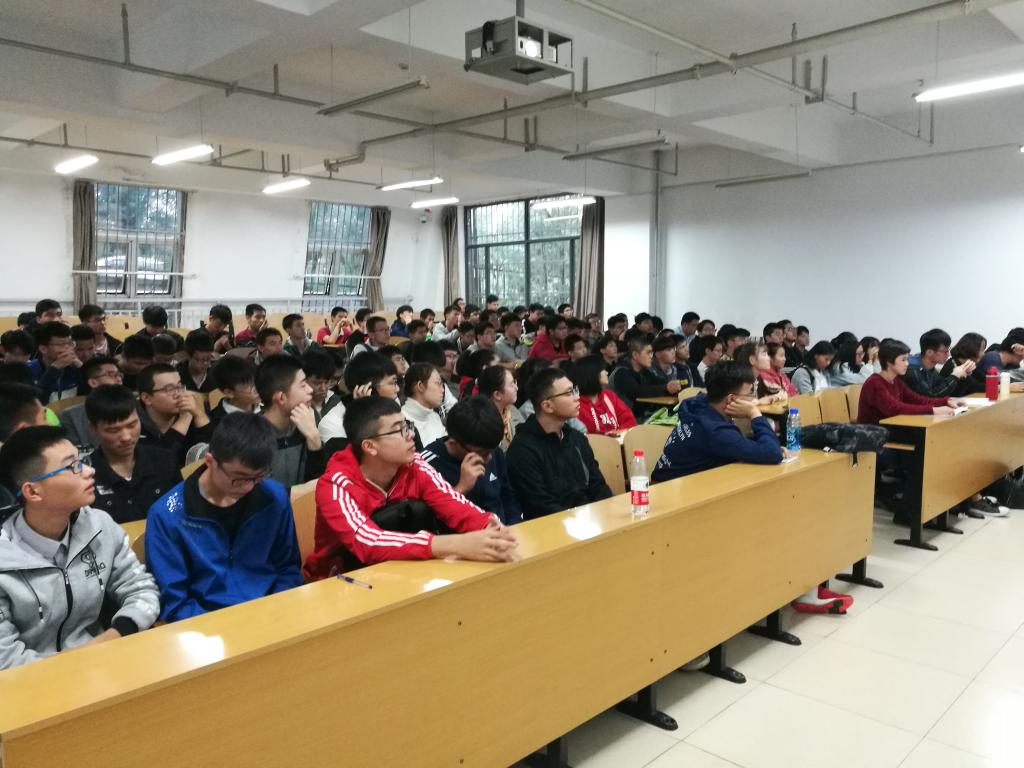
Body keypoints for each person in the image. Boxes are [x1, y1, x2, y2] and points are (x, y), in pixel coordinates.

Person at [0, 426, 160, 669]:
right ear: (32, 491)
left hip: (103, 661)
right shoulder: (5, 560)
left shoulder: (99, 526)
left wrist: (111, 637)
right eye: (72, 466)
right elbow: (6, 658)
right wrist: (76, 664)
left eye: (82, 461)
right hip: (31, 680)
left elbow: (142, 590)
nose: (89, 471)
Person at [304, 397, 517, 576]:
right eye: (399, 430)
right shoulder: (336, 485)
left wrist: (492, 528)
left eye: (407, 426)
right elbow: (368, 541)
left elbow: (454, 503)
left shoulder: (414, 465)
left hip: (404, 571)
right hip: (342, 581)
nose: (411, 435)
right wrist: (456, 544)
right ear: (370, 446)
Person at [145, 413, 303, 622]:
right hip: (205, 622)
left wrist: (275, 611)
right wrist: (224, 628)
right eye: (239, 478)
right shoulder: (169, 514)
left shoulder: (274, 497)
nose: (248, 487)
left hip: (270, 612)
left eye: (258, 477)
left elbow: (287, 569)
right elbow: (174, 601)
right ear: (210, 461)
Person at [506, 368, 612, 520]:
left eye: (575, 390)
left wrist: (608, 514)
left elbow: (598, 486)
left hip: (591, 520)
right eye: (569, 393)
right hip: (553, 527)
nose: (577, 397)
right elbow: (540, 507)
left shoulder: (577, 438)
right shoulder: (522, 450)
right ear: (547, 406)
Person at [652, 360, 784, 482]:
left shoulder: (699, 403)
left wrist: (764, 445)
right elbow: (773, 454)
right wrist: (755, 414)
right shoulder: (714, 430)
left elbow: (733, 441)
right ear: (731, 399)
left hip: (679, 482)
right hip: (670, 492)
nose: (753, 399)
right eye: (750, 393)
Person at [82, 384, 179, 524]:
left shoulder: (164, 460)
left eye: (132, 425)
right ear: (93, 429)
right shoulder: (85, 475)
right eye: (114, 430)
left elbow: (179, 511)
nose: (126, 437)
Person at [420, 396, 522, 526]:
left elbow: (508, 497)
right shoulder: (427, 465)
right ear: (454, 442)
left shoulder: (491, 449)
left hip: (504, 531)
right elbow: (429, 523)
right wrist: (461, 488)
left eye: (491, 450)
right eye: (481, 453)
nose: (489, 458)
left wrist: (513, 526)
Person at [256, 354, 325, 489]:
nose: (310, 390)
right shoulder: (252, 435)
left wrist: (314, 438)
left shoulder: (307, 419)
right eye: (303, 385)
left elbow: (319, 484)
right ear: (281, 398)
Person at [857, 339, 959, 425]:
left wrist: (946, 401)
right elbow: (896, 409)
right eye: (903, 360)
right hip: (874, 433)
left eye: (907, 359)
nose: (907, 363)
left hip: (893, 426)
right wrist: (933, 410)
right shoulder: (874, 383)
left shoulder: (896, 380)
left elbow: (917, 399)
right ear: (889, 362)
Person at [136, 363, 213, 466]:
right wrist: (185, 417)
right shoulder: (133, 424)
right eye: (169, 389)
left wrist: (199, 414)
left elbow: (213, 453)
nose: (179, 394)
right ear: (146, 398)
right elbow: (159, 462)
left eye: (179, 386)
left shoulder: (192, 411)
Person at [59, 356, 125, 449]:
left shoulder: (134, 407)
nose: (118, 380)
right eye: (111, 375)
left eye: (119, 375)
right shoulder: (71, 416)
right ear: (93, 383)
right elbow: (73, 453)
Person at [609, 336, 683, 418]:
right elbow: (637, 392)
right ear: (635, 355)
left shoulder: (644, 371)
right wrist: (666, 388)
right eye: (648, 353)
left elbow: (660, 382)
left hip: (636, 416)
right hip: (618, 420)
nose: (651, 356)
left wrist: (673, 386)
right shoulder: (621, 372)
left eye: (651, 353)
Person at [569, 355, 637, 435]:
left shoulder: (609, 396)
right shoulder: (576, 403)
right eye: (602, 370)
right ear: (592, 373)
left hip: (617, 440)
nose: (606, 372)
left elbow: (629, 420)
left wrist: (614, 434)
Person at [902, 328, 974, 399]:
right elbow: (931, 396)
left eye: (948, 350)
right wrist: (955, 376)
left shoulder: (930, 368)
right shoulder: (911, 368)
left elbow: (945, 392)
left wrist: (962, 375)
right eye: (945, 351)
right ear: (929, 352)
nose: (948, 354)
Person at [27, 321, 79, 403]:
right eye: (61, 344)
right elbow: (34, 403)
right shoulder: (28, 371)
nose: (68, 348)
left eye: (70, 343)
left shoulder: (75, 369)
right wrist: (54, 369)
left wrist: (81, 367)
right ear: (43, 349)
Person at [476, 364, 525, 450]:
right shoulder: (482, 423)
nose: (516, 388)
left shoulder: (512, 410)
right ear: (497, 395)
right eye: (512, 384)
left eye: (515, 382)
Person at [401, 363, 447, 447]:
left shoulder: (434, 416)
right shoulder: (402, 421)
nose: (443, 390)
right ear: (420, 386)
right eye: (438, 383)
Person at [209, 355, 260, 427]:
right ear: (229, 392)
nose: (257, 389)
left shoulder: (268, 408)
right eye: (247, 386)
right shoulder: (215, 424)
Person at [302, 351, 341, 423]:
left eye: (326, 382)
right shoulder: (297, 406)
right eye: (317, 383)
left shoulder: (339, 402)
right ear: (303, 380)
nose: (323, 388)